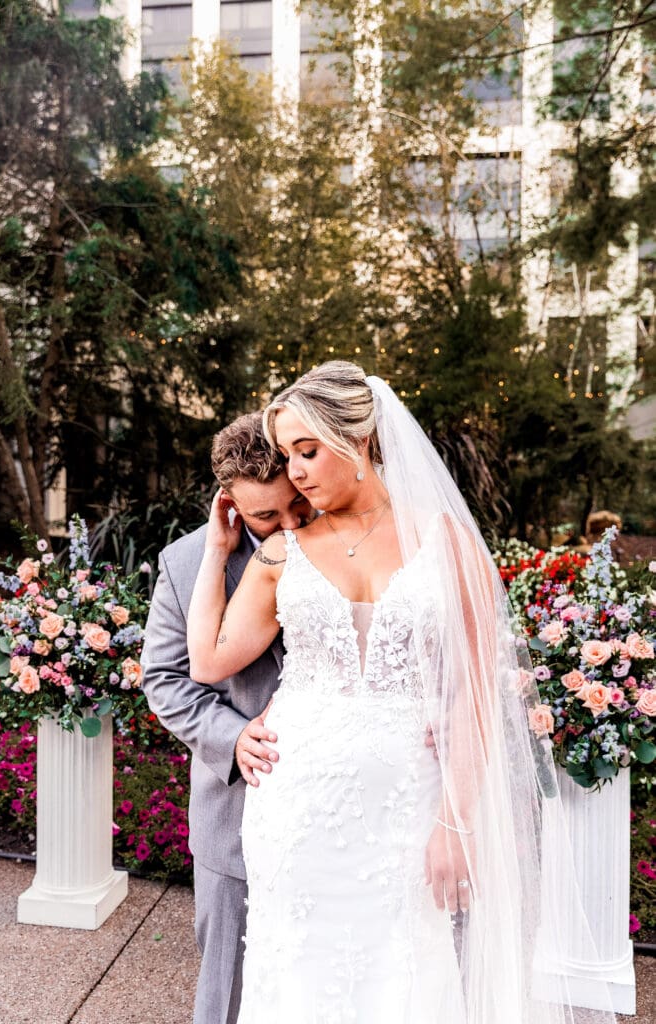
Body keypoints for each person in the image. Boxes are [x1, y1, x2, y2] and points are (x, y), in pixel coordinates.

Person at [186, 363, 618, 1024]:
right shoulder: (283, 551)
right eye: (287, 455)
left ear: (356, 440)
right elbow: (209, 659)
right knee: (297, 972)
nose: (294, 472)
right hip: (293, 806)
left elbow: (476, 690)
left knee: (406, 975)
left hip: (405, 806)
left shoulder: (444, 542)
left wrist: (453, 820)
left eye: (307, 451)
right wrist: (218, 553)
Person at [141, 412, 315, 1024]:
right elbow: (164, 679)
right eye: (268, 516)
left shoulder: (348, 542)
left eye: (298, 505)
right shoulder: (185, 564)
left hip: (336, 812)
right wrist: (234, 736)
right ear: (230, 505)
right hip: (235, 812)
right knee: (229, 988)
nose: (291, 526)